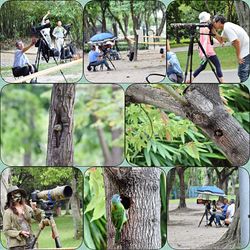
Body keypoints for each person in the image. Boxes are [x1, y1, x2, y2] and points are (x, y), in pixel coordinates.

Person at [187, 12, 224, 83]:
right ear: (206, 19)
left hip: (204, 51)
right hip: (208, 51)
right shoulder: (205, 28)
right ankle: (222, 81)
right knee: (217, 65)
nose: (210, 20)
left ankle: (191, 79)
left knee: (202, 67)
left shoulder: (202, 27)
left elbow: (209, 39)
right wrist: (204, 53)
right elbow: (205, 41)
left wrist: (219, 42)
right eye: (209, 18)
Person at [212, 15, 250, 82]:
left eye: (214, 22)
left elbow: (236, 41)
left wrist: (238, 57)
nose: (213, 24)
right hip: (246, 49)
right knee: (245, 73)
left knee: (242, 73)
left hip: (246, 51)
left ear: (219, 22)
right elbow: (221, 40)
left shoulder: (227, 28)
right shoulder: (226, 27)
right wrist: (214, 31)